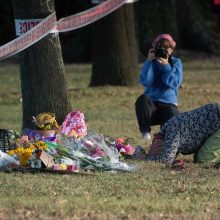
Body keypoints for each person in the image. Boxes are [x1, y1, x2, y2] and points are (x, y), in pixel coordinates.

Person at [135, 34, 183, 141]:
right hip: (151, 107)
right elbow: (145, 82)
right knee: (142, 100)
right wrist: (149, 63)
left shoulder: (175, 62)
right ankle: (145, 131)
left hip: (168, 106)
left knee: (173, 118)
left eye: (166, 48)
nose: (163, 51)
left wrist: (166, 66)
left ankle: (165, 140)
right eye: (160, 48)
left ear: (171, 49)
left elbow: (175, 84)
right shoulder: (150, 62)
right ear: (154, 49)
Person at [147, 103, 220, 164]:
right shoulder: (169, 132)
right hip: (215, 116)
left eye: (152, 146)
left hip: (218, 116)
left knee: (204, 159)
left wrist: (144, 158)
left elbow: (166, 159)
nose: (151, 146)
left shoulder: (171, 132)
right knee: (200, 157)